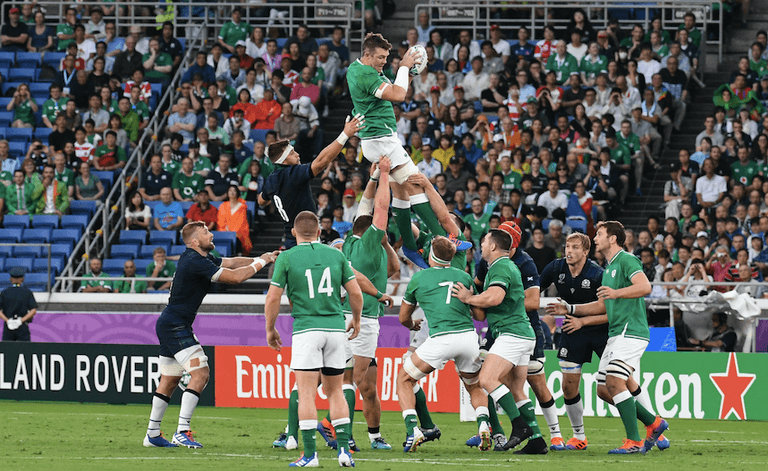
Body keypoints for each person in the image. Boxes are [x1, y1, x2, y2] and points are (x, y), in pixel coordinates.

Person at [143, 221, 277, 449]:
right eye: (206, 232)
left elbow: (234, 263)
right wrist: (263, 262)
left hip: (170, 322)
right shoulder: (195, 261)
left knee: (170, 379)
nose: (211, 234)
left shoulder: (198, 259)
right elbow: (236, 278)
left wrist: (264, 257)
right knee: (201, 373)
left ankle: (152, 434)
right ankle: (182, 431)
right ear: (195, 241)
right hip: (175, 325)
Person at [348, 33, 467, 268]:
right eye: (381, 57)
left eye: (387, 57)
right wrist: (403, 67)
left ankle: (411, 248)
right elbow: (399, 95)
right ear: (368, 54)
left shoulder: (359, 68)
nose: (384, 61)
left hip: (377, 139)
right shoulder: (365, 74)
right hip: (382, 139)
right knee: (415, 184)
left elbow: (396, 88)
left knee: (401, 192)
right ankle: (442, 235)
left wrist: (409, 74)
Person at [548, 221, 668, 454]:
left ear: (612, 239)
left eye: (600, 234)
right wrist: (571, 309)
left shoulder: (627, 260)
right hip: (616, 334)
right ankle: (654, 423)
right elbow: (602, 304)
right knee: (604, 390)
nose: (595, 239)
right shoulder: (609, 267)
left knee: (615, 382)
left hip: (631, 331)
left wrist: (616, 293)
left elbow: (645, 287)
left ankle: (634, 441)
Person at [264, 211, 361, 467]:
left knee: (306, 393)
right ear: (319, 232)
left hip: (307, 330)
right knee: (336, 391)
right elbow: (355, 292)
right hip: (335, 329)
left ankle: (309, 455)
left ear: (294, 232)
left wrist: (270, 329)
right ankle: (343, 451)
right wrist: (357, 319)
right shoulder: (337, 255)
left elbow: (273, 297)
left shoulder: (287, 257)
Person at [398, 235, 489, 451]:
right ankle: (484, 425)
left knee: (404, 379)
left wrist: (412, 325)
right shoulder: (463, 276)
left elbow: (402, 317)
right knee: (474, 386)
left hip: (440, 337)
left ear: (430, 254)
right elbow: (479, 316)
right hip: (468, 337)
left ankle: (413, 430)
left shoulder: (419, 278)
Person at [452, 230, 537, 452]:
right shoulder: (498, 268)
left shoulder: (501, 266)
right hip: (521, 333)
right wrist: (472, 303)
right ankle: (537, 440)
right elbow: (483, 313)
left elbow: (495, 297)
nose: (480, 245)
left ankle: (519, 426)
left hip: (512, 333)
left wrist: (468, 297)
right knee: (516, 389)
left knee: (487, 379)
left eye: (484, 241)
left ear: (493, 247)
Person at [540, 233, 607, 451]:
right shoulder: (556, 268)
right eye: (567, 246)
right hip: (572, 328)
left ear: (586, 252)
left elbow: (609, 311)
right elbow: (532, 291)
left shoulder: (598, 274)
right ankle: (579, 436)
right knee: (568, 387)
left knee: (616, 385)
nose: (569, 251)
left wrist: (582, 321)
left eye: (575, 247)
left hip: (600, 330)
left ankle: (650, 425)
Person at [258, 117, 363, 248]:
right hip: (306, 237)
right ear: (283, 161)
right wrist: (345, 134)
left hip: (290, 238)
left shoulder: (270, 180)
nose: (297, 154)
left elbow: (261, 201)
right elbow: (321, 161)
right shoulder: (293, 173)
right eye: (292, 153)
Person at [0, 267, 38, 341]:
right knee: (25, 349)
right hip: (22, 325)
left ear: (11, 279)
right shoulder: (27, 292)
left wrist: (8, 320)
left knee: (7, 350)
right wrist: (21, 321)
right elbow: (33, 310)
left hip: (8, 326)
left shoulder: (5, 292)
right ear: (22, 279)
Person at [217, 185, 252, 255]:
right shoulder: (223, 206)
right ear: (227, 193)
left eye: (234, 190)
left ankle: (239, 253)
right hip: (225, 231)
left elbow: (242, 222)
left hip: (239, 232)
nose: (232, 192)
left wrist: (234, 232)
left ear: (237, 193)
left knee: (237, 237)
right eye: (230, 190)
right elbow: (220, 221)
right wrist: (227, 230)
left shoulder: (242, 206)